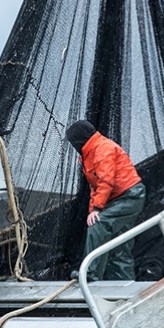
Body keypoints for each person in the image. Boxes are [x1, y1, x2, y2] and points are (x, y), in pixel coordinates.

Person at [65, 120, 146, 281]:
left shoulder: (102, 149)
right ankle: (124, 287)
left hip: (130, 196)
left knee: (98, 225)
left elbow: (106, 181)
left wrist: (96, 210)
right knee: (119, 245)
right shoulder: (89, 153)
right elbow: (94, 188)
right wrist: (92, 209)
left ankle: (90, 274)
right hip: (118, 198)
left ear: (78, 140)